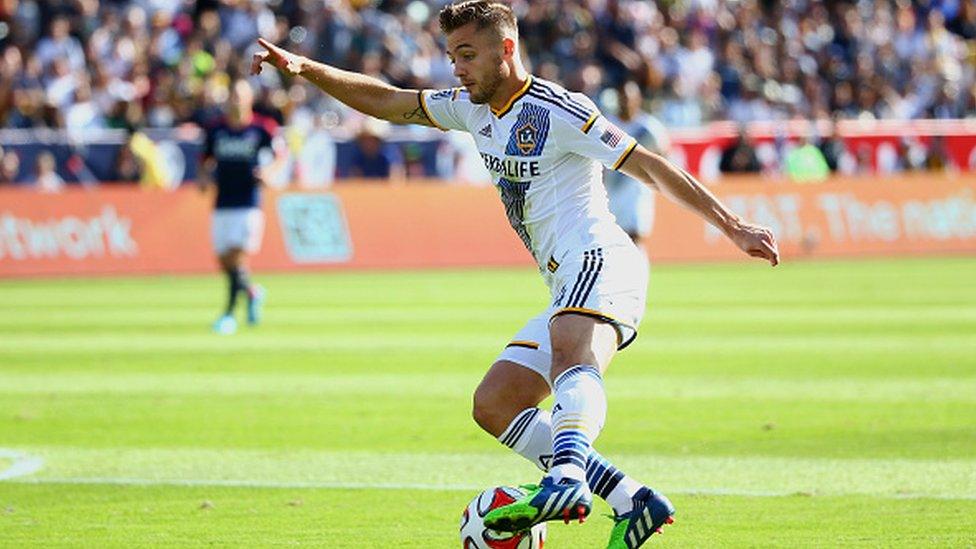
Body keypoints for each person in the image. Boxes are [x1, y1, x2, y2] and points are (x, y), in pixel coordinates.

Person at [252, 2, 779, 547]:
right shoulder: (469, 108)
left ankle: (567, 478)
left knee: (573, 350)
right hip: (565, 282)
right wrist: (307, 69)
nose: (457, 68)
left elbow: (646, 163)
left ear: (506, 49)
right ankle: (632, 500)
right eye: (452, 55)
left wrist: (732, 224)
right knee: (496, 402)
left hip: (601, 258)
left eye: (467, 55)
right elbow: (389, 102)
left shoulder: (559, 109)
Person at [198, 79, 278, 335]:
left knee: (235, 256)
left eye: (239, 96)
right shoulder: (215, 130)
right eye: (232, 96)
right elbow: (204, 158)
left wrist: (269, 172)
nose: (235, 101)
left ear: (249, 100)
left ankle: (229, 315)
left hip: (248, 202)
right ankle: (252, 292)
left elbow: (281, 155)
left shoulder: (262, 129)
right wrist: (202, 177)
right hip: (222, 201)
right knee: (225, 262)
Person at [605, 81, 670, 252]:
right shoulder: (607, 125)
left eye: (629, 98)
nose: (625, 102)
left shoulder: (648, 128)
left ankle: (639, 275)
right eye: (622, 98)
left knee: (635, 238)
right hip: (610, 191)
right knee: (612, 241)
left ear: (638, 100)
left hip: (637, 190)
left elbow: (664, 157)